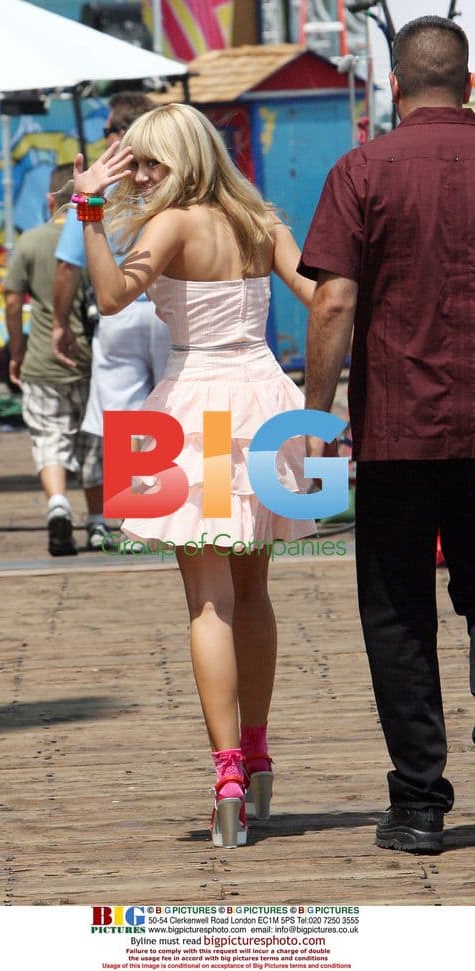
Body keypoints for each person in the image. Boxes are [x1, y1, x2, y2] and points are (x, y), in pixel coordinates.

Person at [71, 102, 316, 848]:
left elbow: (112, 296)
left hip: (194, 405)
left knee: (206, 601)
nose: (140, 175)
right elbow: (324, 298)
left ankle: (229, 774)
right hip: (268, 401)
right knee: (255, 590)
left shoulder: (172, 224)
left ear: (186, 159)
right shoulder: (262, 221)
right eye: (133, 162)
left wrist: (88, 206)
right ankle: (262, 751)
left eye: (150, 162)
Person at [298, 15, 475, 854]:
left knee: (400, 615)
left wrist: (318, 413)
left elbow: (333, 302)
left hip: (398, 431)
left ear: (395, 87)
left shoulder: (360, 169)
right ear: (469, 85)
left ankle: (418, 805)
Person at [53, 91, 170, 458]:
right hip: (173, 310)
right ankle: (186, 505)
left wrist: (60, 323)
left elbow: (68, 265)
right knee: (180, 411)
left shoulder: (97, 184)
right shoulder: (170, 179)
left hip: (119, 310)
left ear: (120, 132)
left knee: (123, 420)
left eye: (106, 128)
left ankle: (133, 510)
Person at [5, 165, 112, 556]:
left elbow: (14, 301)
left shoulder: (30, 243)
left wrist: (16, 352)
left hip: (42, 362)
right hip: (90, 359)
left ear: (51, 200)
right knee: (92, 441)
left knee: (49, 437)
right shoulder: (94, 237)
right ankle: (98, 523)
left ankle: (57, 505)